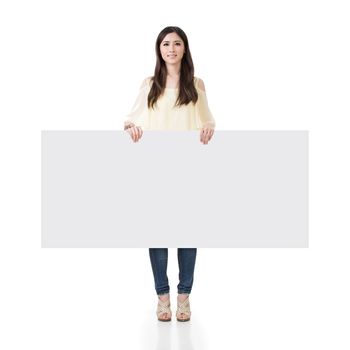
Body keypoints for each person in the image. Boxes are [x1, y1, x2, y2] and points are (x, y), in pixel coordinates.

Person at [123, 26, 216, 322]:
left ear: (184, 49)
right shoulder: (150, 84)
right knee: (158, 234)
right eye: (166, 44)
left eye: (177, 43)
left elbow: (209, 120)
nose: (171, 49)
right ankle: (162, 298)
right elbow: (130, 119)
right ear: (159, 49)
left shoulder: (196, 84)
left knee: (188, 233)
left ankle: (184, 297)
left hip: (188, 171)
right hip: (156, 170)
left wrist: (208, 128)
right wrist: (131, 127)